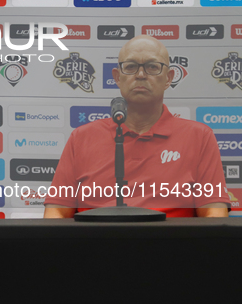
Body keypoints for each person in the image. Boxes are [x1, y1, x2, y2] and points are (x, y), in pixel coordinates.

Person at [43, 35, 230, 218]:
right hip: (95, 245)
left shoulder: (199, 137)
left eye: (152, 67)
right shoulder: (82, 137)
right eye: (131, 67)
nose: (141, 75)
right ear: (117, 77)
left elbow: (214, 213)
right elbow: (57, 211)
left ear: (169, 78)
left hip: (171, 246)